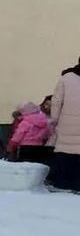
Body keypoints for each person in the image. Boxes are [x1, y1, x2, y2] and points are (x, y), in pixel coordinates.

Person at [46, 58, 80, 191]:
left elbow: (56, 101)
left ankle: (61, 183)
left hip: (66, 124)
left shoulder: (66, 78)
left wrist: (55, 119)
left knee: (65, 153)